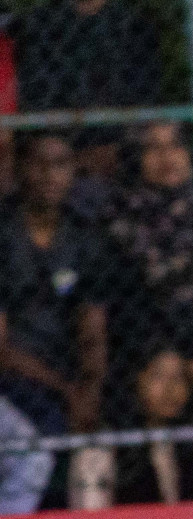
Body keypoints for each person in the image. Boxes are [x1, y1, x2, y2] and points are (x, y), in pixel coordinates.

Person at [14, 0, 161, 218]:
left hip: (122, 160)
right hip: (56, 165)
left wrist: (120, 152)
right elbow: (33, 102)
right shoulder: (37, 26)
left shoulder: (134, 27)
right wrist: (73, 159)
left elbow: (146, 103)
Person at [0, 132, 112, 449]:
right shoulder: (5, 234)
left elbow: (93, 326)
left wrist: (90, 388)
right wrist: (67, 390)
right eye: (40, 164)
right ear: (21, 168)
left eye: (61, 164)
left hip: (66, 371)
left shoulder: (82, 234)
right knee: (48, 425)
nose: (51, 175)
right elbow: (1, 350)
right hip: (17, 375)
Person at [104, 122, 193, 407]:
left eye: (176, 145)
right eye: (153, 148)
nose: (167, 157)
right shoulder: (122, 216)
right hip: (153, 343)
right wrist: (192, 357)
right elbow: (146, 296)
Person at [71, 341, 193, 508]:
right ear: (135, 380)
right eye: (158, 376)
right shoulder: (101, 447)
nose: (171, 389)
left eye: (179, 378)